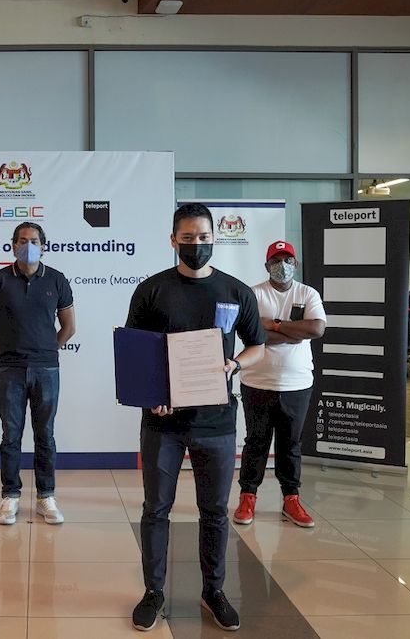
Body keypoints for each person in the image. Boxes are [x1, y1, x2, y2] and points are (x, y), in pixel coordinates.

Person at [125, 203, 266, 633]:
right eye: (187, 239)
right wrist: (152, 397)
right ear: (173, 241)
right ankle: (153, 591)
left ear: (213, 239)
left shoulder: (236, 291)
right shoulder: (151, 291)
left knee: (215, 512)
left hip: (217, 422)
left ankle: (214, 591)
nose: (196, 245)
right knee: (156, 510)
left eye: (203, 238)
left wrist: (235, 366)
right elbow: (135, 352)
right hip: (163, 422)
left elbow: (257, 345)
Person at [0, 222, 76, 526]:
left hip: (47, 369)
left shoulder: (57, 280)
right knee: (11, 435)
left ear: (43, 245)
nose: (28, 245)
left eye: (33, 240)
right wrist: (6, 353)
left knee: (45, 434)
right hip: (10, 370)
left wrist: (46, 350)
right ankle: (11, 496)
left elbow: (69, 327)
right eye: (22, 240)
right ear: (13, 245)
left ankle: (46, 496)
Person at [233, 240, 326, 529]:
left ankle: (291, 499)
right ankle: (248, 496)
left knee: (291, 444)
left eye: (287, 260)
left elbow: (316, 328)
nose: (282, 266)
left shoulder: (307, 293)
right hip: (257, 381)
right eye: (276, 260)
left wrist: (271, 325)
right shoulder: (253, 294)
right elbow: (250, 334)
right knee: (256, 442)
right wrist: (290, 330)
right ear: (266, 265)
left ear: (295, 264)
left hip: (297, 384)